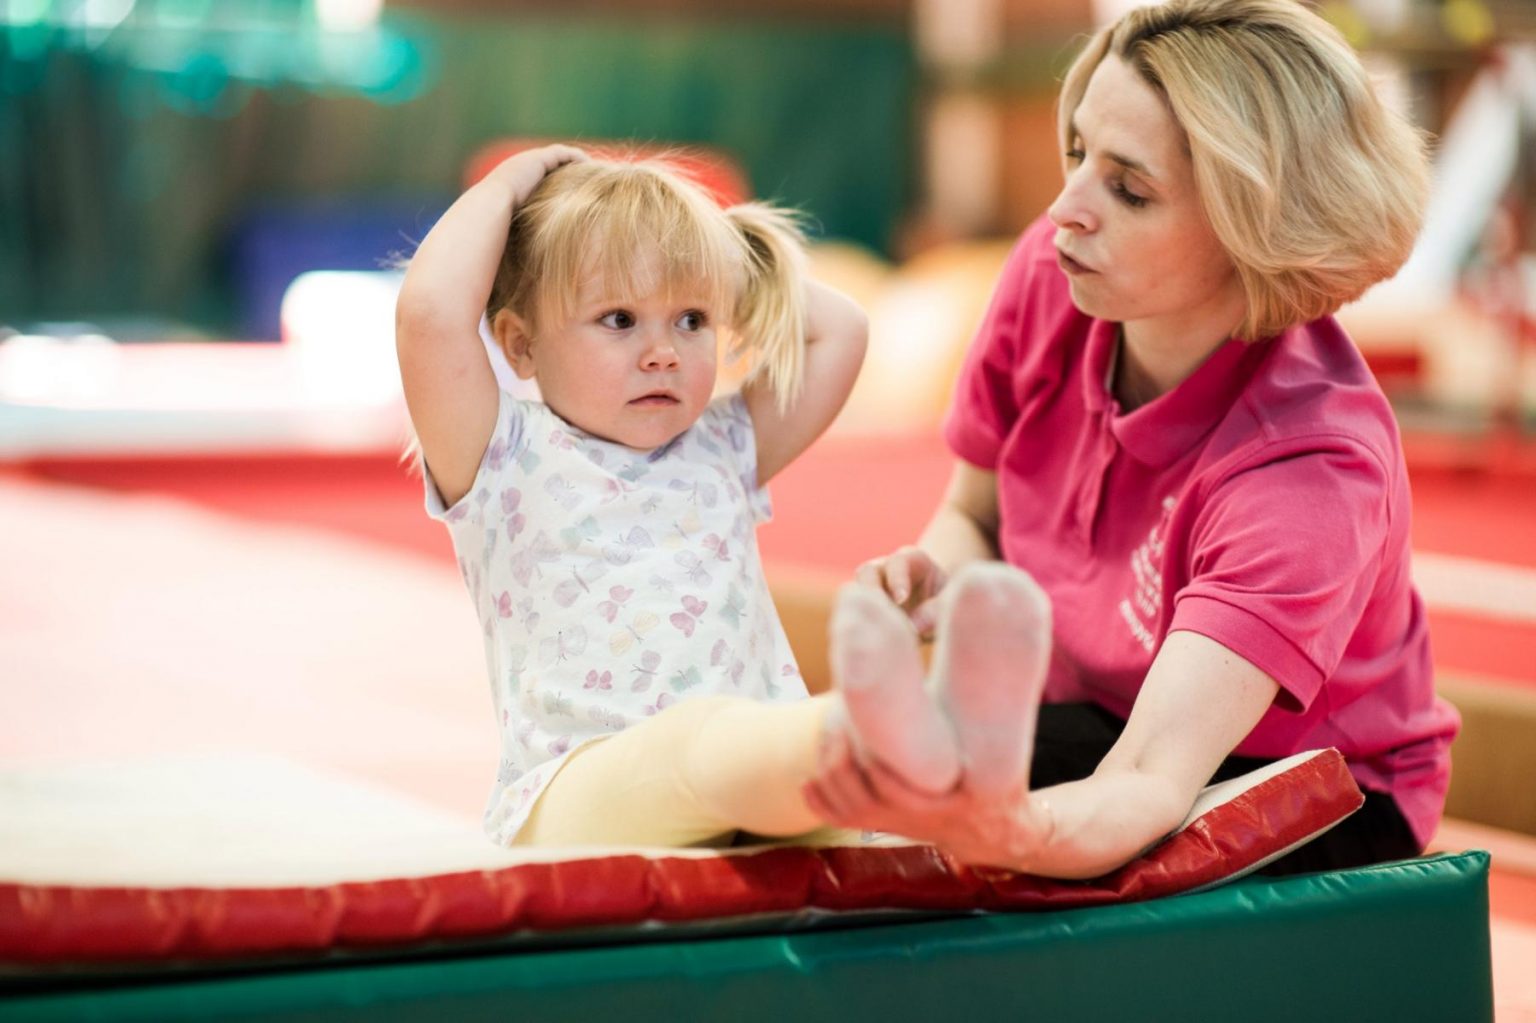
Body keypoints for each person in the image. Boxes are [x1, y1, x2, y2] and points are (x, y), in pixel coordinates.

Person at [802, 0, 1461, 879]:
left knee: (954, 844)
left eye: (1129, 188)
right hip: (1111, 714)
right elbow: (976, 515)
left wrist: (980, 842)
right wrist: (934, 572)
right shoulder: (1052, 274)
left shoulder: (1308, 471)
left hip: (1303, 776)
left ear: (1251, 231)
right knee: (860, 781)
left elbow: (1149, 779)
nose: (1064, 208)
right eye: (1077, 154)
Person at [396, 146, 1036, 848]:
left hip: (760, 792)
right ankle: (872, 733)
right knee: (702, 741)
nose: (663, 351)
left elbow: (842, 330)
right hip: (581, 796)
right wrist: (511, 184)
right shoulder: (503, 456)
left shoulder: (723, 444)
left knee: (864, 841)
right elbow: (430, 313)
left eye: (692, 320)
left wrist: (702, 255)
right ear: (520, 345)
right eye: (619, 319)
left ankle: (938, 756)